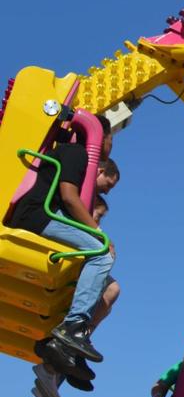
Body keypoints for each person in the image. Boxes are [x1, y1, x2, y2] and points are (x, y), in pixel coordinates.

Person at [11, 117, 118, 363]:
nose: (112, 145)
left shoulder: (71, 153)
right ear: (102, 137)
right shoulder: (75, 153)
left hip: (38, 215)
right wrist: (99, 235)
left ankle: (64, 346)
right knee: (100, 253)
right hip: (36, 216)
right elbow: (69, 198)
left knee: (102, 271)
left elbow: (70, 207)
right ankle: (73, 326)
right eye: (111, 139)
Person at [26, 162, 122, 397]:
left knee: (112, 292)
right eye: (109, 184)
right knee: (111, 289)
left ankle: (65, 359)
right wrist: (97, 232)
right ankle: (71, 344)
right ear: (100, 171)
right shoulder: (73, 211)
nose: (109, 191)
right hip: (64, 272)